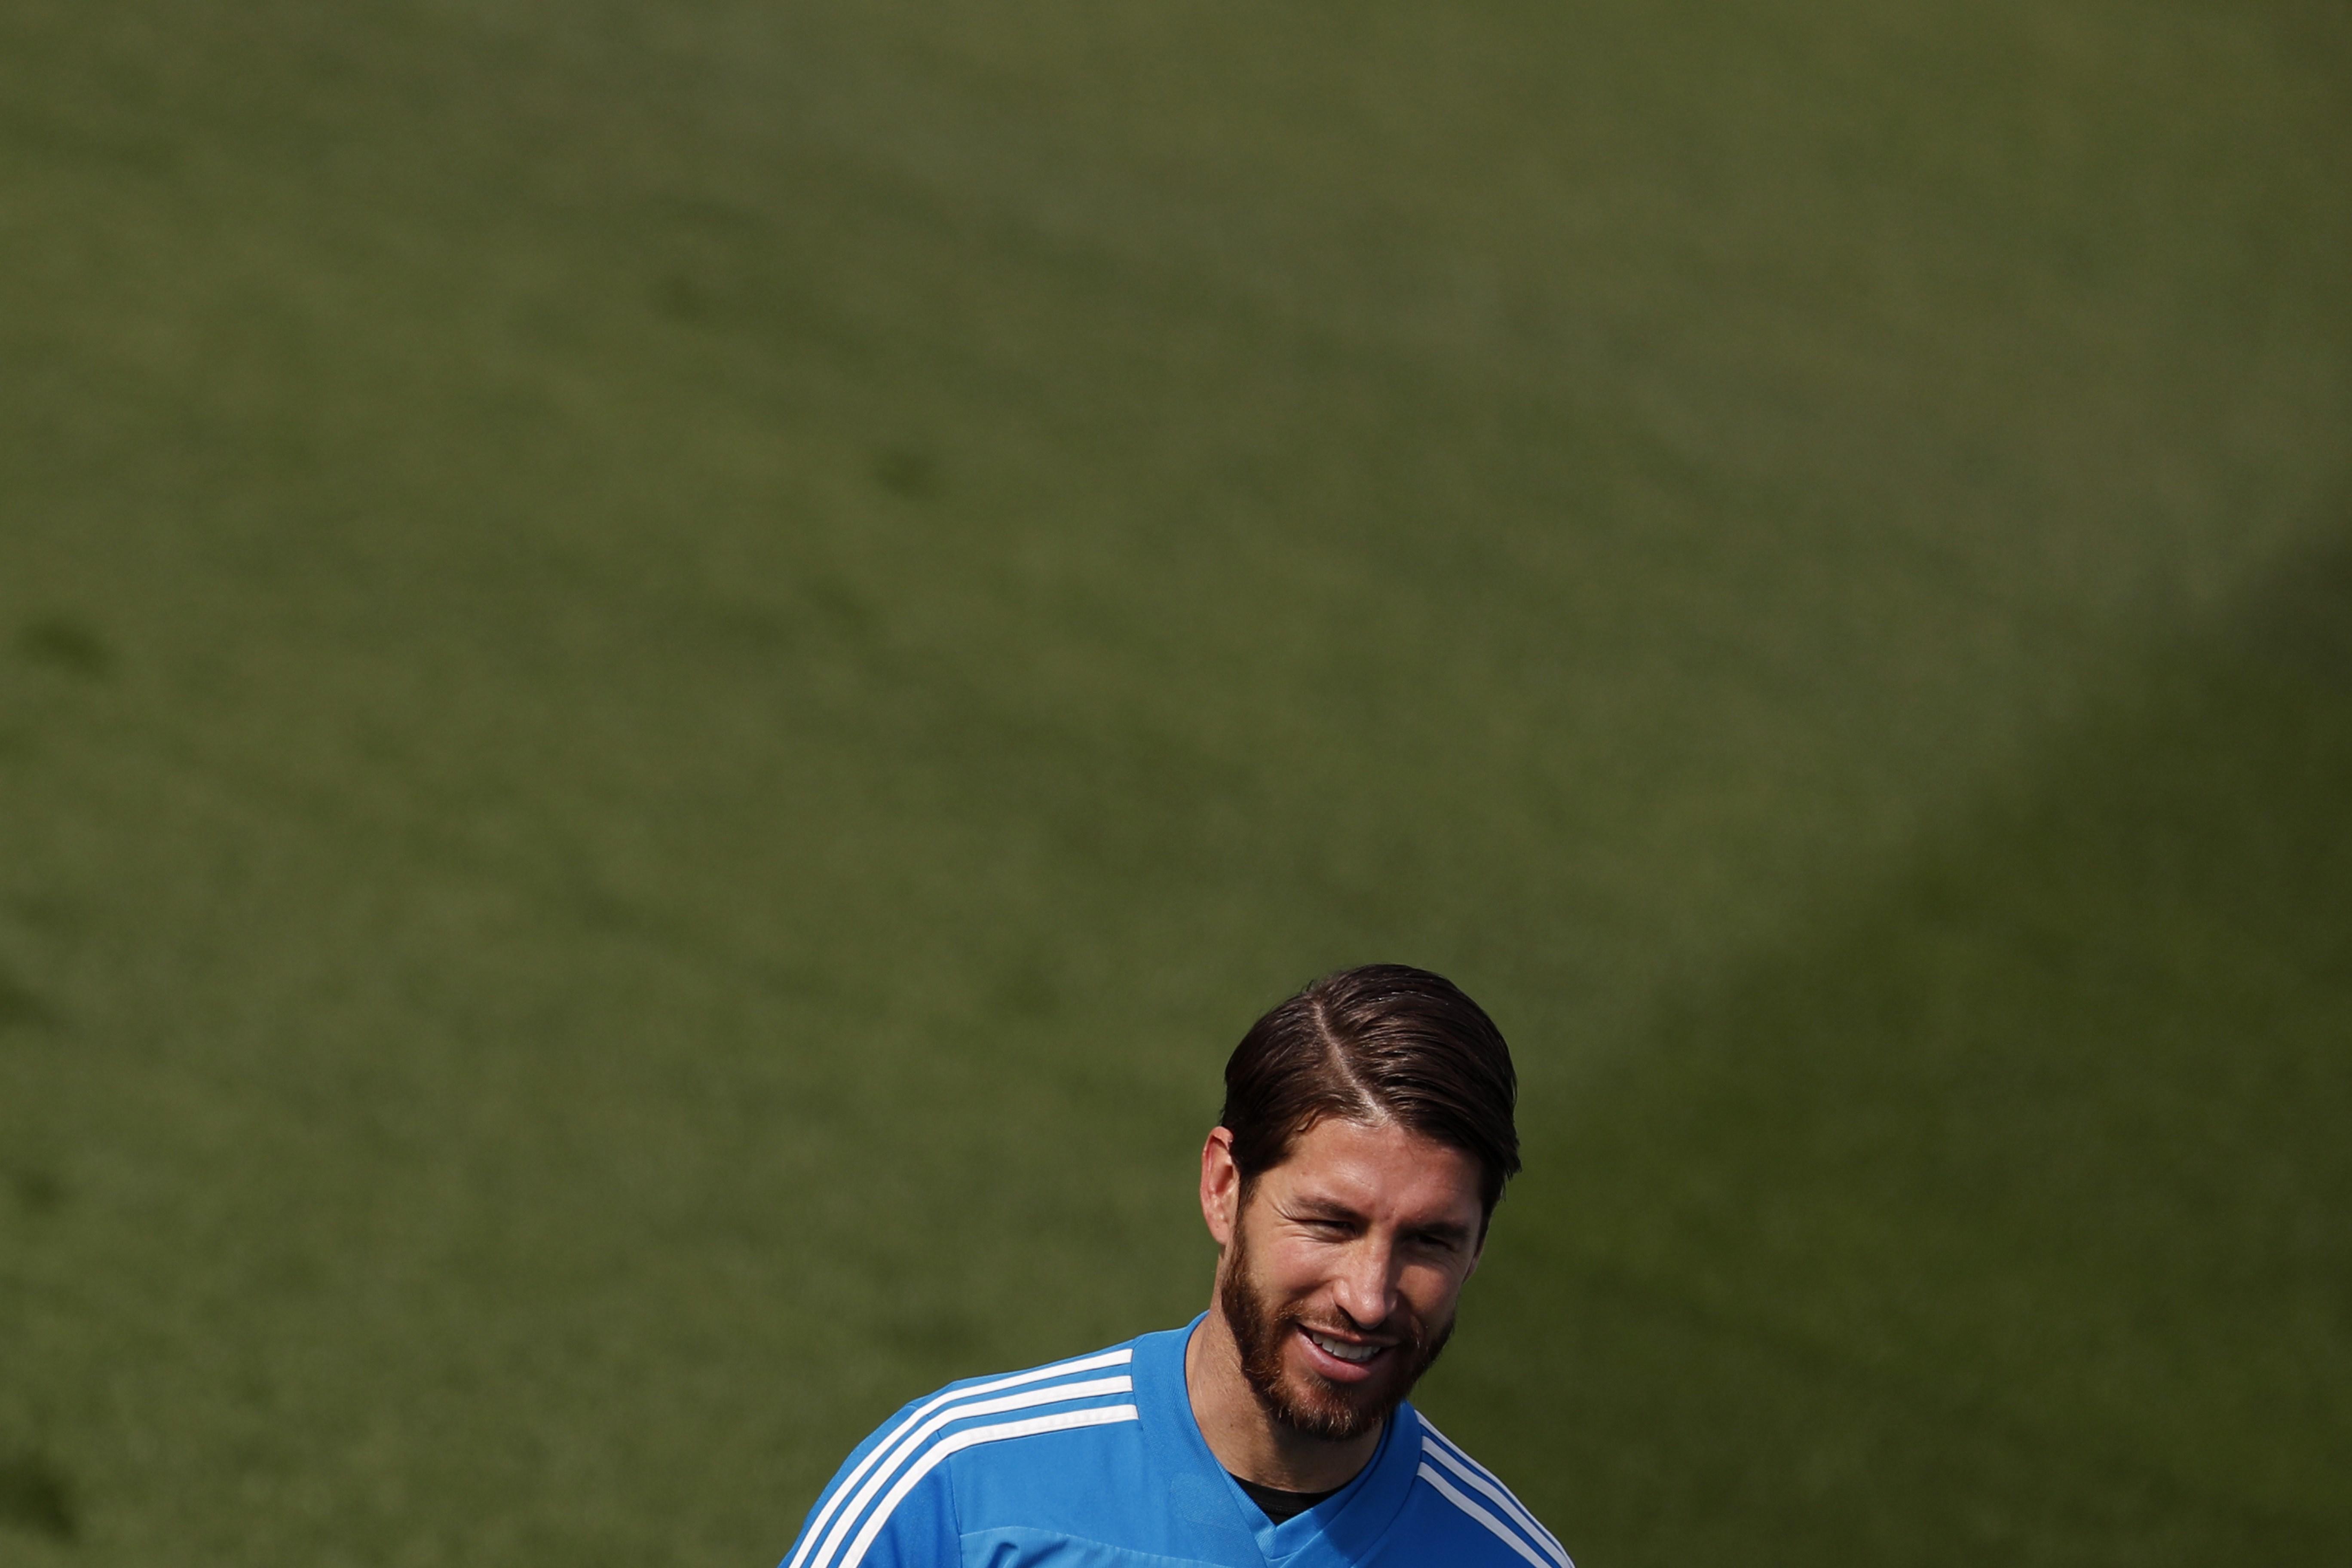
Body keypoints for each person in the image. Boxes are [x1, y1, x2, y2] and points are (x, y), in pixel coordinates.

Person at [777, 964, 1568, 1568]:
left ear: (1477, 1248)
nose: (1368, 1298)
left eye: (1429, 1241)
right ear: (1224, 1188)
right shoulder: (954, 1491)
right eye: (1330, 1223)